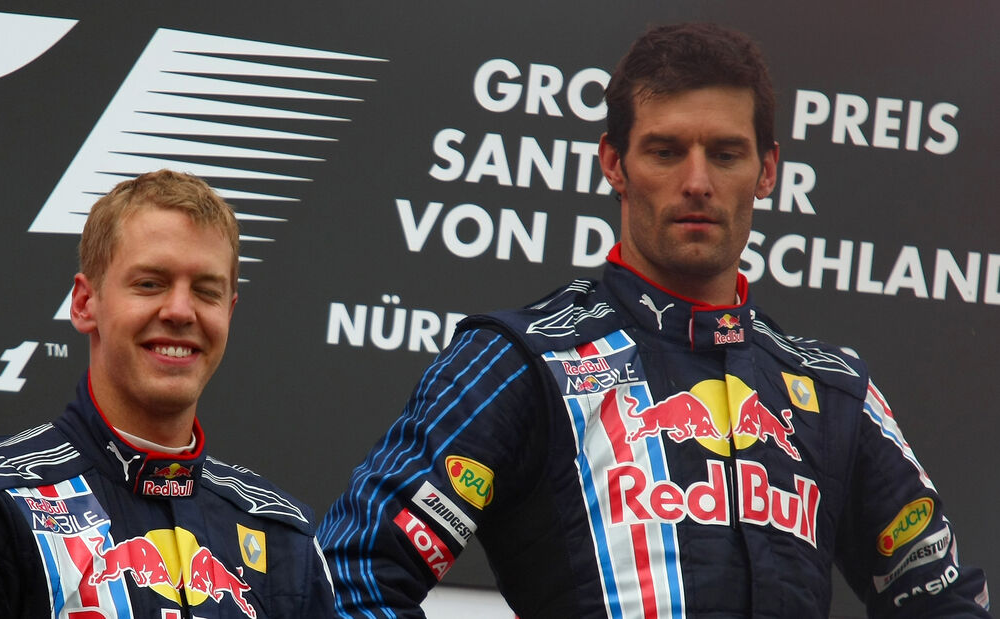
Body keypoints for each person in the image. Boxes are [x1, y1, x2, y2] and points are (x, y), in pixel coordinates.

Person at [318, 23, 990, 618]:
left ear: (767, 170)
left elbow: (945, 600)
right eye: (666, 151)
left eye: (725, 154)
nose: (696, 181)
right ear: (614, 162)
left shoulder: (836, 393)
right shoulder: (524, 360)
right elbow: (349, 574)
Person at [0, 170, 335, 617]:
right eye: (150, 283)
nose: (180, 311)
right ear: (85, 303)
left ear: (229, 310)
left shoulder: (283, 537)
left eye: (206, 291)